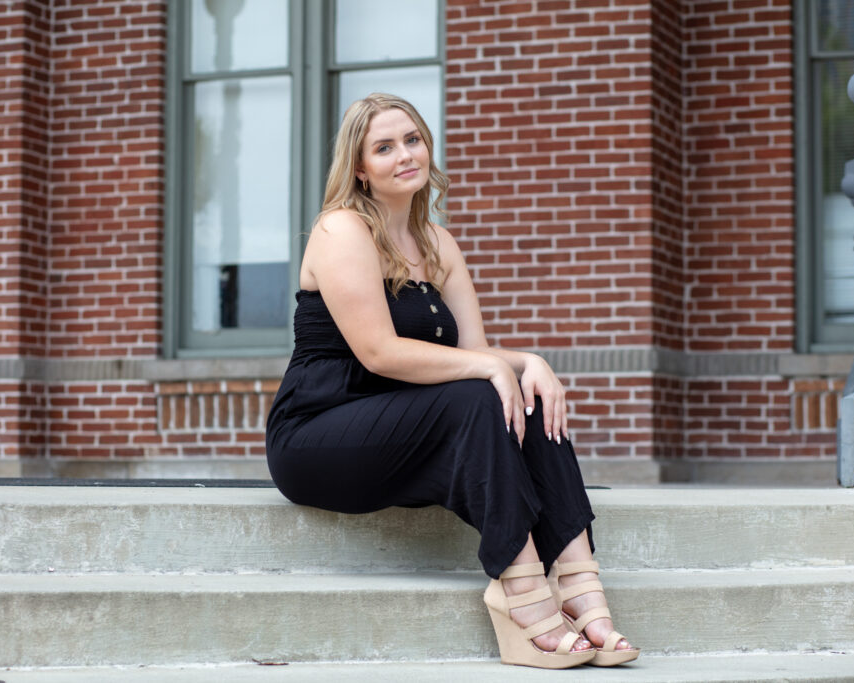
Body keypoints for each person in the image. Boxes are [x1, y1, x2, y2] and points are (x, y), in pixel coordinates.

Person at [265, 93, 639, 670]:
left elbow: (473, 355)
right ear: (360, 168)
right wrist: (496, 365)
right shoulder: (341, 230)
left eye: (412, 139)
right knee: (479, 390)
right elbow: (378, 352)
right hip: (320, 434)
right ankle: (518, 589)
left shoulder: (439, 244)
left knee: (526, 398)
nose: (405, 155)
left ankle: (578, 580)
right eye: (384, 147)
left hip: (405, 432)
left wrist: (525, 362)